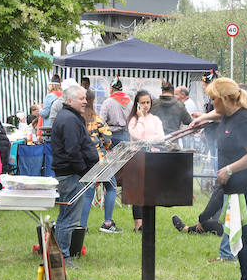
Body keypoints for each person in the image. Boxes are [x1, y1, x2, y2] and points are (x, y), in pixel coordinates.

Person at [183, 77, 247, 280]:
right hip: (238, 187)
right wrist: (201, 118)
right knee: (237, 234)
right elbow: (218, 115)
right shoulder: (229, 114)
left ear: (227, 98)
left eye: (214, 99)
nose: (212, 104)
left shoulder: (244, 120)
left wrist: (229, 170)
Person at [50, 84, 100, 268]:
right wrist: (84, 172)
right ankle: (62, 257)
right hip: (71, 175)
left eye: (85, 98)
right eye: (81, 98)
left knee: (66, 217)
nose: (85, 102)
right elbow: (72, 150)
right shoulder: (69, 119)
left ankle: (58, 254)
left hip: (71, 174)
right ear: (69, 100)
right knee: (68, 219)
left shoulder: (70, 117)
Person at [78, 88, 120, 234]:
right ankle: (108, 223)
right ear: (93, 101)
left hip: (84, 161)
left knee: (87, 193)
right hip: (101, 160)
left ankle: (82, 226)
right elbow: (108, 138)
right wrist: (105, 145)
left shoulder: (77, 119)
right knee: (111, 188)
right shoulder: (97, 119)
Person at [127, 90, 164, 232]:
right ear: (137, 104)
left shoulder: (155, 119)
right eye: (143, 103)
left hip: (153, 158)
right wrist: (141, 119)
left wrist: (146, 141)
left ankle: (148, 221)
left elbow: (160, 137)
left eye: (148, 102)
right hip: (137, 158)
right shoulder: (134, 120)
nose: (146, 105)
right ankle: (138, 223)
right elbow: (136, 136)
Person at [99, 77, 131, 144]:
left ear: (111, 89)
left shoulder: (108, 102)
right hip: (127, 135)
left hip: (112, 136)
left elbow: (101, 121)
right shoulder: (130, 102)